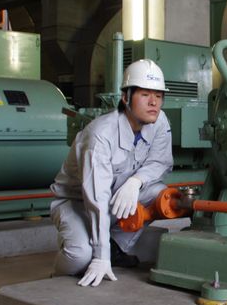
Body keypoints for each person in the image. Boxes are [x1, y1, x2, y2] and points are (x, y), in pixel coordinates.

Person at [50, 59, 172, 287]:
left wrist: (136, 181)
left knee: (159, 195)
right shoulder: (101, 135)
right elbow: (96, 198)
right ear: (126, 97)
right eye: (145, 94)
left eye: (158, 95)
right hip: (77, 202)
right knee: (80, 256)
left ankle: (116, 246)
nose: (154, 102)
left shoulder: (160, 121)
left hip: (116, 196)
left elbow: (160, 161)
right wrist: (100, 255)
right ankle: (56, 278)